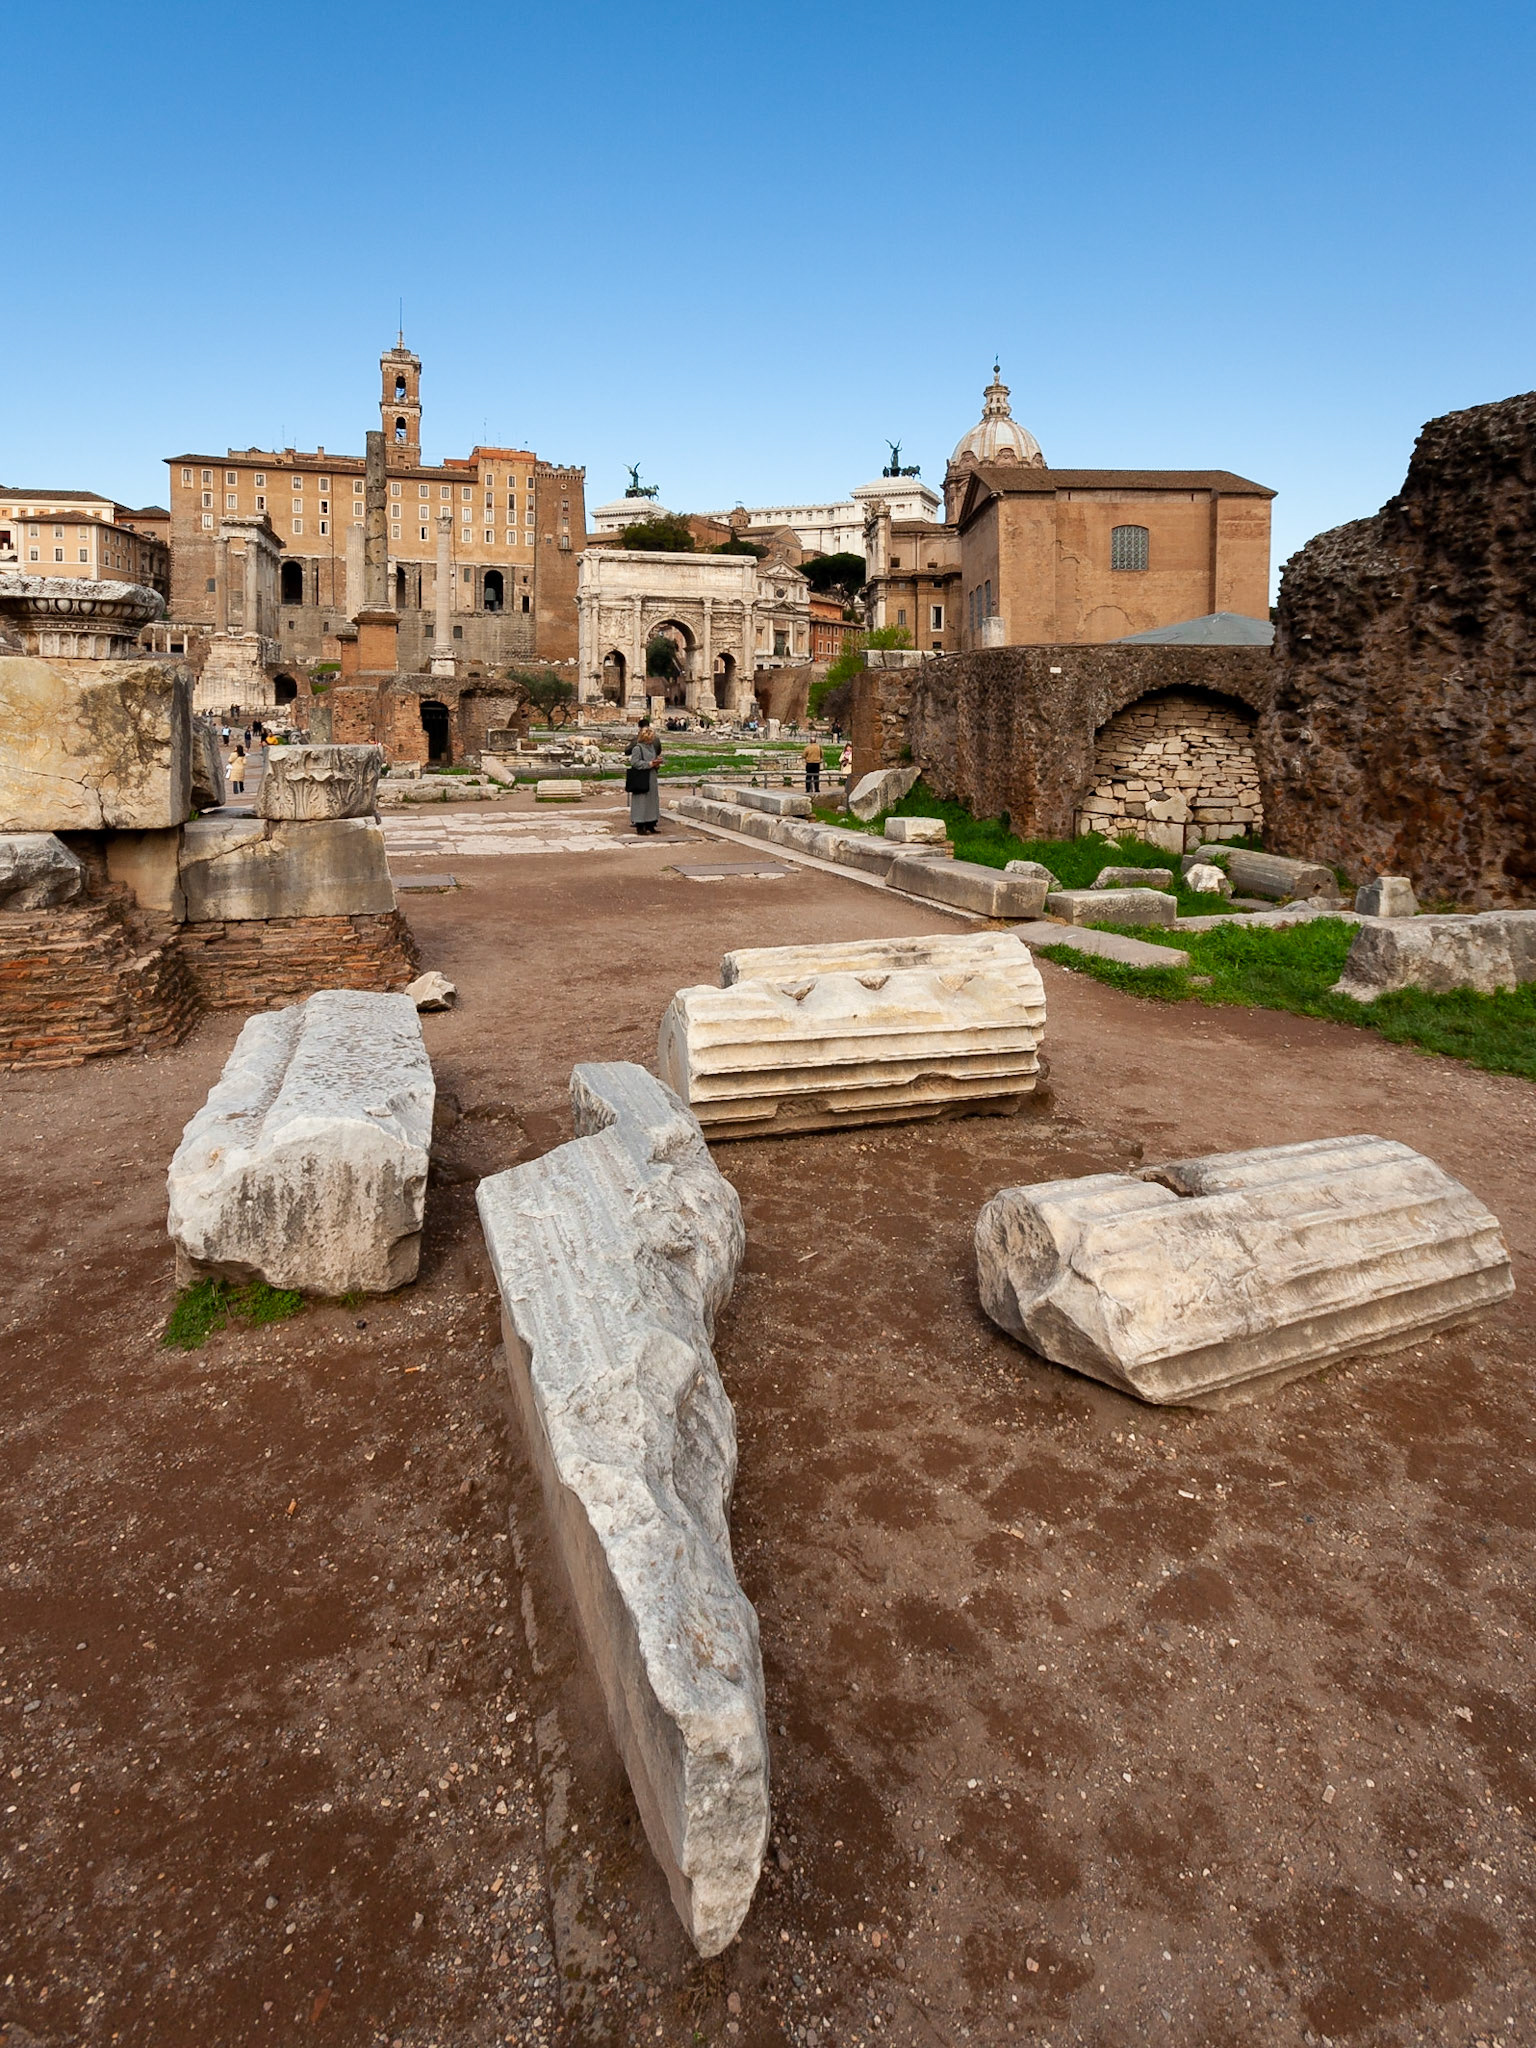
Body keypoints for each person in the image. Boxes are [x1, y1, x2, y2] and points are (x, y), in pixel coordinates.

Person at [626, 721, 663, 834]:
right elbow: (635, 763)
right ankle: (640, 825)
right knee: (641, 801)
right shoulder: (637, 748)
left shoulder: (651, 747)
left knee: (652, 801)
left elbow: (654, 757)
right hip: (642, 777)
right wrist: (649, 764)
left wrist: (657, 763)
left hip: (651, 776)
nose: (653, 740)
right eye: (651, 738)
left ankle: (650, 823)